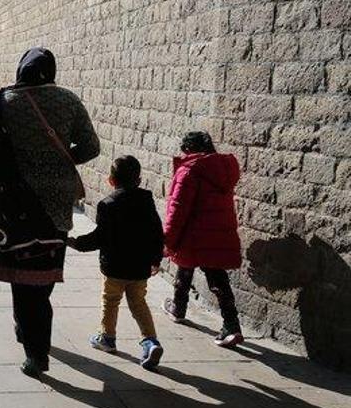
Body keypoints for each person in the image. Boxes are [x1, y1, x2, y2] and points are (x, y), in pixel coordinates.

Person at [0, 47, 100, 377]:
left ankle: (35, 351)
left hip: (15, 201)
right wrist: (59, 163)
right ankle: (32, 332)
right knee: (44, 271)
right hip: (57, 202)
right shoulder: (68, 100)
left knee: (22, 276)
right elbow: (91, 147)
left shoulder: (3, 102)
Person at [67, 156, 165, 370]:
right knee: (138, 303)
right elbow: (157, 233)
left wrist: (75, 243)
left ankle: (107, 338)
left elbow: (99, 237)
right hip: (140, 267)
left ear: (111, 180)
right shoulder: (147, 201)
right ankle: (150, 341)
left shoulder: (107, 205)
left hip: (114, 267)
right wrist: (156, 259)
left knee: (110, 300)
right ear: (139, 180)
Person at [161, 131, 245, 348]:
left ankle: (178, 308)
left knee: (184, 267)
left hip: (192, 233)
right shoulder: (222, 169)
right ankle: (231, 325)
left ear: (188, 149)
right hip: (218, 232)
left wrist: (167, 240)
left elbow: (177, 210)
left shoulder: (188, 171)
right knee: (218, 279)